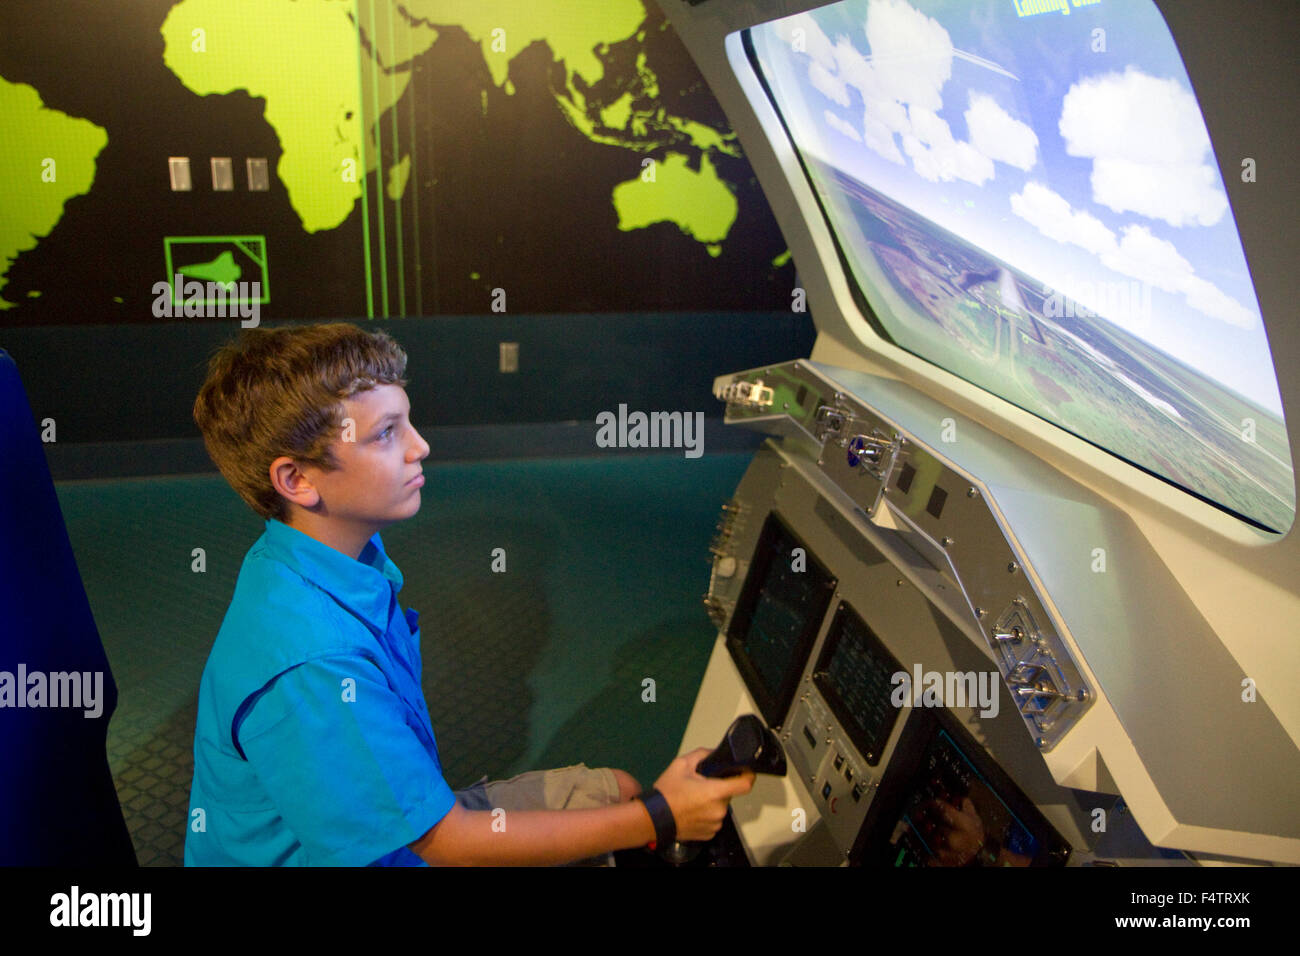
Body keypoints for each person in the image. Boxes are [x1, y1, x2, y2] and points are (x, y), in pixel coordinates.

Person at [184, 322, 753, 865]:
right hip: (412, 848)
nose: (421, 446)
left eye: (408, 422)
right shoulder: (316, 664)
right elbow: (448, 845)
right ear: (297, 480)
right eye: (386, 433)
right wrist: (662, 817)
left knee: (617, 791)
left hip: (394, 837)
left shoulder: (313, 557)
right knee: (629, 815)